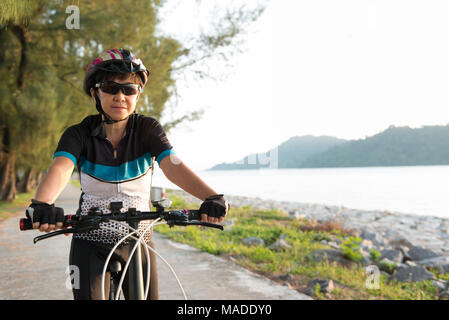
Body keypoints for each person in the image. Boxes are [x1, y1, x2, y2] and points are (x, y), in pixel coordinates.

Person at [24, 48, 230, 300]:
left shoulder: (148, 129)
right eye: (110, 88)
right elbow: (61, 168)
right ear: (95, 93)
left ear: (137, 95)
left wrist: (212, 197)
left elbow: (172, 165)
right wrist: (43, 204)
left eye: (129, 89)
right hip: (90, 238)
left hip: (138, 238)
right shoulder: (78, 134)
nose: (120, 96)